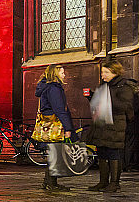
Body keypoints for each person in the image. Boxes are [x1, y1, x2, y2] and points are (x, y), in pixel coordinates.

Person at [86, 60, 135, 192]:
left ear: (115, 72)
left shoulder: (124, 86)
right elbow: (98, 104)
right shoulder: (104, 86)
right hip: (102, 125)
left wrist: (107, 100)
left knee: (114, 154)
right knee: (102, 153)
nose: (103, 75)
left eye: (106, 72)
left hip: (115, 126)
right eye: (102, 72)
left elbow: (126, 106)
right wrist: (92, 97)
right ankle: (103, 182)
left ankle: (114, 183)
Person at [34, 64, 74, 191]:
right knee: (54, 154)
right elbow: (59, 109)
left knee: (52, 154)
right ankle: (52, 183)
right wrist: (68, 128)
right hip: (55, 126)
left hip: (47, 124)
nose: (64, 75)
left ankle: (48, 182)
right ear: (55, 74)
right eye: (62, 73)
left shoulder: (45, 87)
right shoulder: (54, 89)